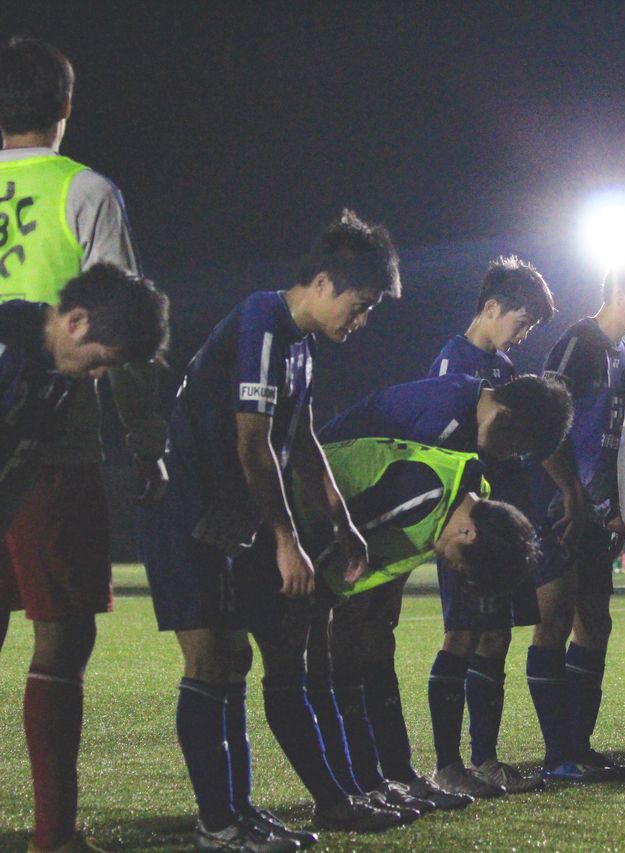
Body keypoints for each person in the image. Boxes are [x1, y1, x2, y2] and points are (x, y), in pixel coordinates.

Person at [138, 210, 404, 850]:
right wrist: (286, 538)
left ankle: (237, 812)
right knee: (210, 659)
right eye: (360, 305)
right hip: (186, 512)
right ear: (322, 282)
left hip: (226, 524)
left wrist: (341, 519)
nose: (361, 321)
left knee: (235, 659)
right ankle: (218, 824)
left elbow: (302, 438)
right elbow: (252, 444)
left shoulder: (301, 348)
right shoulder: (262, 318)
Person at [0, 36, 169, 853]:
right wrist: (147, 436)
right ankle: (53, 836)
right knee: (62, 634)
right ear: (64, 109)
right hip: (52, 447)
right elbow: (123, 323)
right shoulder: (87, 191)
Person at [316, 370, 571, 799]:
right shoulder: (442, 420)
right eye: (515, 445)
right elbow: (385, 500)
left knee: (377, 635)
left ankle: (393, 774)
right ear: (504, 417)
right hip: (330, 509)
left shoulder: (468, 434)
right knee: (350, 636)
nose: (510, 455)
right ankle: (357, 784)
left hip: (366, 522)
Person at [526, 250, 625, 781]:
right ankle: (557, 757)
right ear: (623, 293)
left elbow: (606, 443)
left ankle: (579, 748)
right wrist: (569, 493)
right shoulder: (579, 344)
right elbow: (543, 424)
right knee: (552, 621)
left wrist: (610, 511)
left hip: (591, 513)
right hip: (555, 507)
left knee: (595, 623)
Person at [0, 267, 168, 532]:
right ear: (76, 322)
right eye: (101, 360)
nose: (98, 374)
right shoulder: (9, 342)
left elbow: (21, 469)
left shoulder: (58, 374)